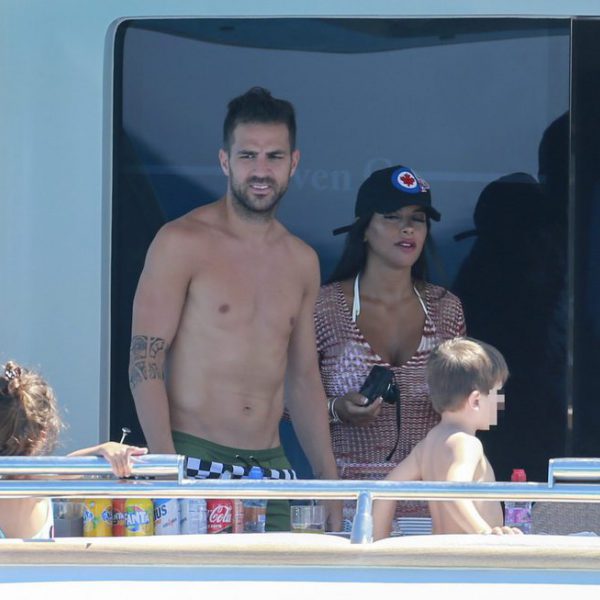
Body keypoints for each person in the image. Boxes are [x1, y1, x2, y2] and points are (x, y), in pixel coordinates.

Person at [129, 86, 341, 532]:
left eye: (274, 157)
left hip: (272, 466)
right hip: (193, 460)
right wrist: (165, 466)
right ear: (225, 161)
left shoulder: (302, 260)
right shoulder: (181, 241)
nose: (260, 170)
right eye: (248, 156)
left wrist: (328, 481)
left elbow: (303, 377)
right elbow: (145, 359)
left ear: (293, 163)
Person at [315, 164, 465, 524]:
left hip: (433, 506)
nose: (407, 228)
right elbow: (282, 401)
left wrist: (477, 401)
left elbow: (467, 411)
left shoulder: (446, 309)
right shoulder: (323, 306)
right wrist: (336, 408)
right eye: (392, 216)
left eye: (418, 219)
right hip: (347, 506)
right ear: (364, 228)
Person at [372, 337, 521, 538]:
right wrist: (485, 532)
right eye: (498, 393)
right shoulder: (467, 443)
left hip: (441, 552)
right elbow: (452, 490)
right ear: (476, 401)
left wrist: (379, 543)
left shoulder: (427, 445)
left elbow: (384, 491)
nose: (500, 402)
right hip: (470, 553)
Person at [0, 360, 147, 539]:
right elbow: (69, 467)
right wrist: (103, 449)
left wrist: (102, 449)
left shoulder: (42, 480)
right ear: (43, 435)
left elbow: (68, 467)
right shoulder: (43, 482)